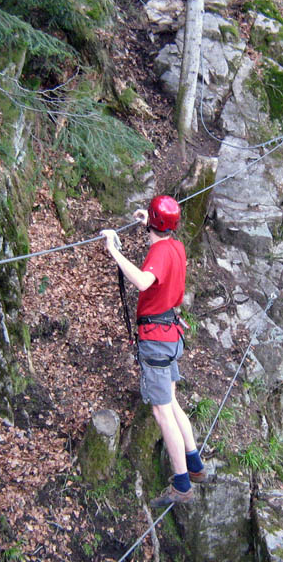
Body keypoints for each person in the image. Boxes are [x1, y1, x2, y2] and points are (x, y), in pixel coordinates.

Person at [101, 195, 207, 507]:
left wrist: (114, 252)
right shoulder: (175, 246)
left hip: (157, 340)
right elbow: (161, 245)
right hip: (170, 335)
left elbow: (145, 281)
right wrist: (146, 222)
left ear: (155, 222)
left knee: (162, 412)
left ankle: (181, 483)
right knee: (171, 403)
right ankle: (196, 466)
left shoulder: (160, 252)